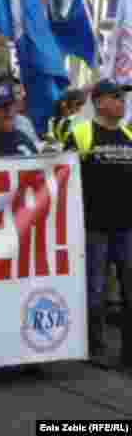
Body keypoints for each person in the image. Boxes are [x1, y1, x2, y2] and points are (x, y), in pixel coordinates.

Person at [64, 79, 132, 368]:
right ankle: (95, 347)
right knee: (95, 289)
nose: (122, 102)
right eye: (116, 97)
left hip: (127, 227)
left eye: (122, 98)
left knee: (130, 287)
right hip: (93, 227)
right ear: (99, 102)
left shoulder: (129, 135)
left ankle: (128, 352)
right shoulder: (81, 134)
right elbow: (63, 176)